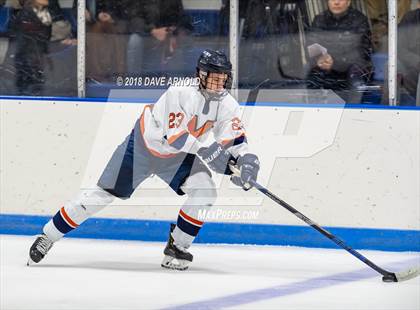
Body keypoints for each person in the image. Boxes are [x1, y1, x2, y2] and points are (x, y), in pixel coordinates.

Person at [27, 49, 260, 270]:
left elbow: (235, 140)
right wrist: (209, 152)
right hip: (141, 148)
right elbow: (176, 136)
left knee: (206, 191)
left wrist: (246, 161)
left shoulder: (228, 105)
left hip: (179, 158)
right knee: (98, 197)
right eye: (214, 77)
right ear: (200, 75)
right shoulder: (179, 93)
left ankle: (177, 247)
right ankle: (48, 235)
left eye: (223, 78)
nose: (219, 83)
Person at [306, 0, 373, 103]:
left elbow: (363, 51)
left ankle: (352, 113)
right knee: (311, 76)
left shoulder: (359, 20)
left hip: (350, 68)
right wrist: (320, 58)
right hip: (326, 67)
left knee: (356, 82)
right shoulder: (319, 19)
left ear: (349, 2)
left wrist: (335, 62)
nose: (336, 2)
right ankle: (315, 113)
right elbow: (311, 43)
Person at [11, 0, 52, 95]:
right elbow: (21, 36)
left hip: (37, 54)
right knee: (26, 82)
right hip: (27, 55)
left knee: (37, 83)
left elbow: (47, 34)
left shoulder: (45, 13)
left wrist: (45, 53)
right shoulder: (25, 13)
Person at [398, 1, 420, 102]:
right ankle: (388, 112)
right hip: (411, 64)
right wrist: (416, 61)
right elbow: (398, 47)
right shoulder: (409, 18)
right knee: (390, 67)